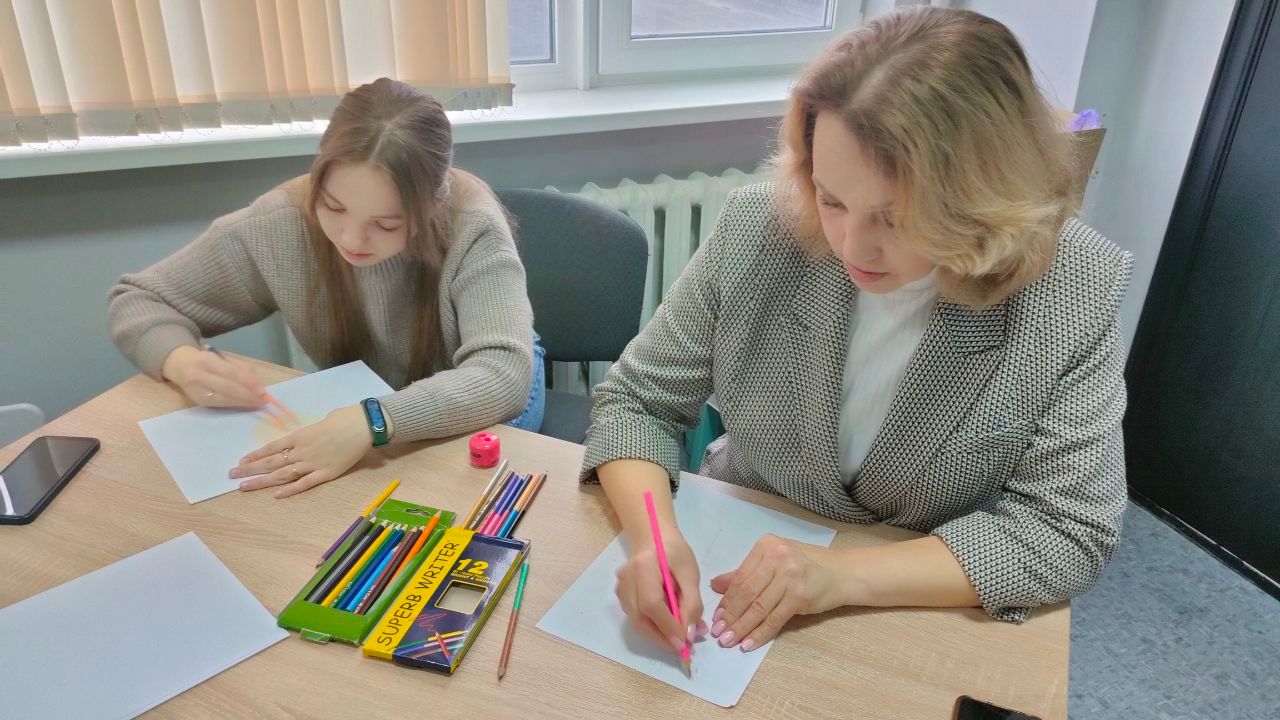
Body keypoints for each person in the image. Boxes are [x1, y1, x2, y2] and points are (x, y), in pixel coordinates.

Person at [583, 6, 1132, 658]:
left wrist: (841, 575)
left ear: (983, 201)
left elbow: (1068, 528)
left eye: (897, 218)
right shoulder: (759, 229)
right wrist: (654, 538)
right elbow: (637, 402)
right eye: (832, 199)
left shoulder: (1071, 286)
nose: (852, 247)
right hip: (736, 538)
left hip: (919, 598)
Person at [109, 78, 542, 498]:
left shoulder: (472, 225)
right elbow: (139, 299)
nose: (352, 239)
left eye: (386, 224)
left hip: (471, 402)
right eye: (334, 206)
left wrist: (374, 420)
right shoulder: (280, 222)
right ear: (318, 178)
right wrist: (182, 362)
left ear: (434, 205)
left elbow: (502, 374)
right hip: (361, 408)